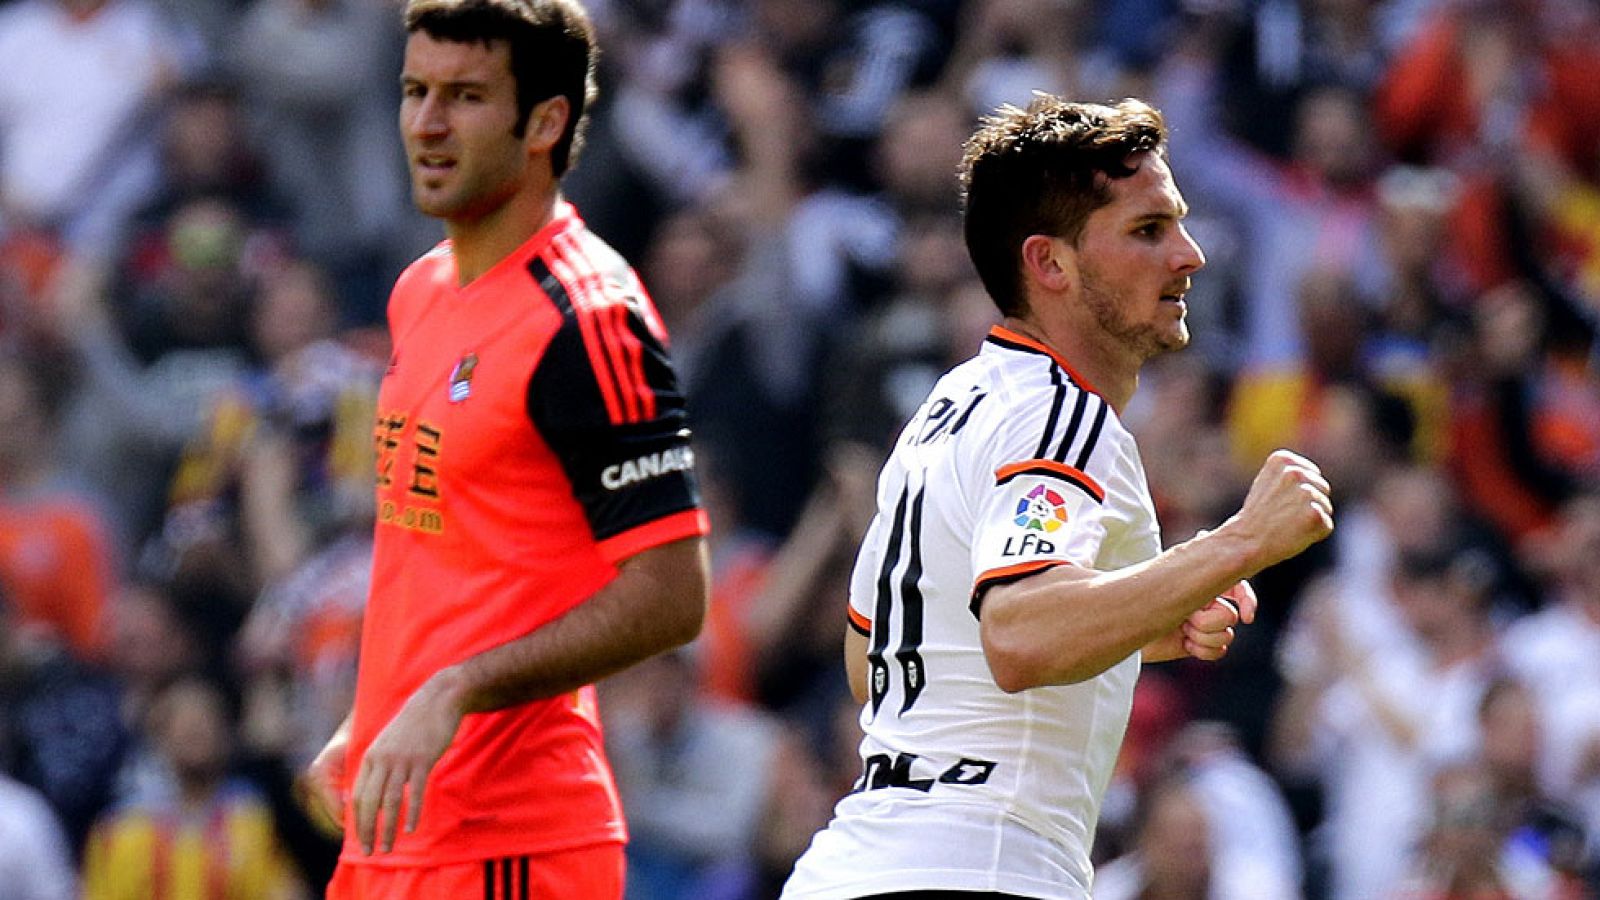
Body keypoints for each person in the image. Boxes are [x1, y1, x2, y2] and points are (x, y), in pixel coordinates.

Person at [781, 95, 1334, 899]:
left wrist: (1144, 619)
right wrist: (1239, 542)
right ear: (1050, 265)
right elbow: (1018, 634)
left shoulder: (947, 410)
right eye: (1149, 230)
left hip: (855, 866)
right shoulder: (1059, 411)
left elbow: (880, 661)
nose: (1190, 255)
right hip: (980, 868)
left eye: (1177, 223)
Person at [302, 0, 712, 897]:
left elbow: (674, 597)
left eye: (465, 96)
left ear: (546, 122)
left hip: (513, 846)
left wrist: (454, 691)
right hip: (396, 830)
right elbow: (453, 552)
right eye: (414, 90)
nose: (426, 122)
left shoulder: (589, 317)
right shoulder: (418, 290)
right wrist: (373, 716)